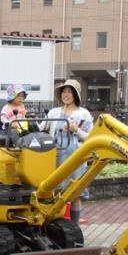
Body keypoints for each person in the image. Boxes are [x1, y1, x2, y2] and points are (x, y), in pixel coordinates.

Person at [41, 79, 93, 224]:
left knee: (74, 193)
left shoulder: (84, 114)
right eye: (64, 92)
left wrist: (76, 130)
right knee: (55, 191)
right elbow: (42, 128)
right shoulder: (54, 112)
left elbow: (91, 138)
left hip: (76, 158)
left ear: (75, 94)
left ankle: (74, 225)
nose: (66, 95)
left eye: (69, 92)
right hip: (56, 156)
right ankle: (55, 224)